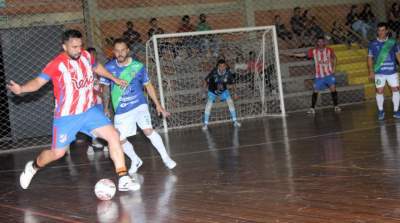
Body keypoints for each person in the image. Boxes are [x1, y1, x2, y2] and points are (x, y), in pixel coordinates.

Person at [7, 29, 140, 191]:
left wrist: (114, 78)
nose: (78, 50)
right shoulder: (56, 64)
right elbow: (38, 82)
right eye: (74, 47)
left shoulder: (86, 56)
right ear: (64, 46)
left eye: (80, 46)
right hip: (67, 117)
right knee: (57, 153)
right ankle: (33, 167)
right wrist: (21, 89)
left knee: (114, 135)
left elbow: (97, 67)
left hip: (89, 111)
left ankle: (123, 178)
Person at [100, 38, 176, 174]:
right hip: (121, 109)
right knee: (119, 139)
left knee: (148, 130)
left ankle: (166, 158)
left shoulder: (138, 66)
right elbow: (105, 89)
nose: (120, 53)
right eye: (117, 51)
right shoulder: (108, 68)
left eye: (123, 50)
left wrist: (158, 105)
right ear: (113, 52)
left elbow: (148, 86)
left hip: (139, 105)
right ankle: (135, 160)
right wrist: (105, 107)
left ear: (128, 50)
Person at [283, 36, 341, 114]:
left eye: (321, 41)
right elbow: (303, 54)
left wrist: (334, 68)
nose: (320, 43)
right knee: (315, 91)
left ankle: (336, 106)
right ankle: (312, 108)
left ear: (324, 42)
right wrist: (293, 54)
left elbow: (334, 58)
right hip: (319, 76)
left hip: (328, 74)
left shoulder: (329, 50)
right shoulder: (313, 51)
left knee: (333, 89)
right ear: (317, 43)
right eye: (318, 41)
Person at [367, 22, 400, 120]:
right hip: (379, 73)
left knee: (396, 89)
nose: (381, 32)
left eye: (383, 30)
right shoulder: (372, 44)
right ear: (377, 31)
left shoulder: (393, 42)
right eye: (379, 30)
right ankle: (381, 111)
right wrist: (371, 71)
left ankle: (396, 110)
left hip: (392, 72)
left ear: (387, 31)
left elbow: (398, 55)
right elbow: (369, 58)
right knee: (379, 91)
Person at [202, 59, 241, 130]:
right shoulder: (214, 72)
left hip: (223, 90)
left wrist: (235, 93)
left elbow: (233, 84)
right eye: (220, 66)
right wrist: (204, 93)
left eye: (224, 66)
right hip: (212, 90)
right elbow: (205, 81)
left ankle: (235, 121)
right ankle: (205, 124)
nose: (222, 68)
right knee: (209, 104)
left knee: (230, 102)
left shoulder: (228, 73)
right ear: (218, 67)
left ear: (226, 66)